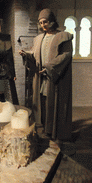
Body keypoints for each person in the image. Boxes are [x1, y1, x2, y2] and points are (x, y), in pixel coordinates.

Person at [19, 8, 73, 143]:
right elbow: (35, 55)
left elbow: (66, 55)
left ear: (53, 21)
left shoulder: (63, 37)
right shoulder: (38, 39)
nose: (43, 25)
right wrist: (26, 55)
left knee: (54, 104)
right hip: (41, 78)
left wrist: (49, 67)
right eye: (41, 23)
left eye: (45, 22)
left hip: (55, 77)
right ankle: (46, 129)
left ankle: (55, 131)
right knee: (43, 104)